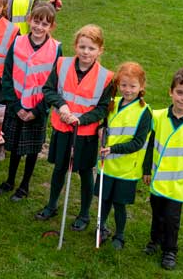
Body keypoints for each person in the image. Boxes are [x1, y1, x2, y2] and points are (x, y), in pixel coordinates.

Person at [35, 24, 113, 232]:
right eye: (82, 47)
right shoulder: (62, 65)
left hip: (85, 134)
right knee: (60, 168)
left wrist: (83, 119)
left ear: (100, 50)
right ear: (76, 46)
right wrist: (61, 106)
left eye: (91, 48)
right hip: (62, 127)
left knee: (86, 172)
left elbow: (103, 108)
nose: (86, 52)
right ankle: (52, 205)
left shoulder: (106, 77)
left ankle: (84, 214)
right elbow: (48, 89)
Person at [0, 2, 61, 202]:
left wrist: (38, 110)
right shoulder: (18, 42)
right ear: (29, 20)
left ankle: (24, 186)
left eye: (45, 24)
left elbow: (55, 84)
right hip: (17, 107)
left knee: (31, 149)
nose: (39, 27)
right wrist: (16, 106)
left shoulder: (56, 49)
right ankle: (10, 181)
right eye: (36, 22)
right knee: (13, 145)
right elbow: (6, 76)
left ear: (51, 27)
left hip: (37, 110)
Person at [142, 67, 183, 270]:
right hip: (158, 178)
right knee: (157, 213)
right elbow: (150, 146)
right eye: (180, 92)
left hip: (179, 184)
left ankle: (170, 250)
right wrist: (146, 169)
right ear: (171, 92)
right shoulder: (159, 117)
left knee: (172, 219)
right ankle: (155, 240)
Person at [95, 62, 151, 250]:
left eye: (133, 86)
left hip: (127, 169)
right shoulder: (114, 103)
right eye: (124, 85)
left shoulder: (144, 112)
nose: (127, 90)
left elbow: (137, 143)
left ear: (141, 87)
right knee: (104, 200)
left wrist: (113, 149)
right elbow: (105, 123)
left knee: (119, 204)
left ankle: (119, 235)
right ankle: (101, 228)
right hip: (107, 165)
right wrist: (101, 129)